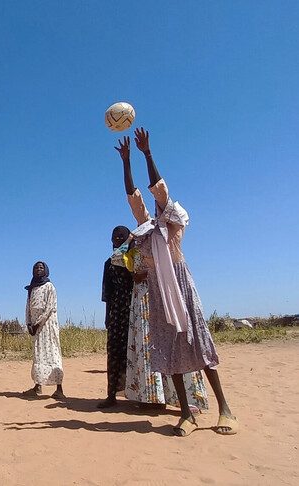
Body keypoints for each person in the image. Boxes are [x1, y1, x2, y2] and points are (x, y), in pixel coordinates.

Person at [116, 128, 238, 436]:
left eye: (159, 204)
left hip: (181, 285)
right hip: (158, 291)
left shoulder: (172, 224)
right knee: (169, 349)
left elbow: (158, 189)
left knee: (197, 343)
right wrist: (126, 161)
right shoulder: (145, 229)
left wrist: (147, 153)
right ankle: (186, 414)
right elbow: (133, 196)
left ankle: (225, 409)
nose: (155, 206)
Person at [124, 236, 210, 412]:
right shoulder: (133, 250)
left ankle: (184, 399)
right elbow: (118, 257)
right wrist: (130, 242)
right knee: (146, 347)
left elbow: (163, 268)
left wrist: (146, 273)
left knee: (167, 345)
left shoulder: (161, 245)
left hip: (158, 297)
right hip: (140, 303)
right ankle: (153, 398)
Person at [97, 226, 134, 409]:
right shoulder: (109, 263)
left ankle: (141, 396)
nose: (118, 238)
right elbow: (107, 293)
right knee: (115, 352)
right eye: (115, 236)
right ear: (111, 240)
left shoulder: (137, 259)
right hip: (117, 311)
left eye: (122, 236)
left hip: (136, 309)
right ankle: (111, 395)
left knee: (136, 351)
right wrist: (107, 316)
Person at [23, 261, 64, 399]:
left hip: (48, 326)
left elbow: (49, 308)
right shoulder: (31, 289)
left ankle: (59, 389)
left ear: (46, 270)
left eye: (41, 267)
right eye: (35, 267)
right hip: (35, 328)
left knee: (52, 353)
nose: (38, 269)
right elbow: (28, 307)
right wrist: (29, 324)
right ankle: (37, 386)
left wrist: (38, 323)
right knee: (38, 355)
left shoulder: (49, 287)